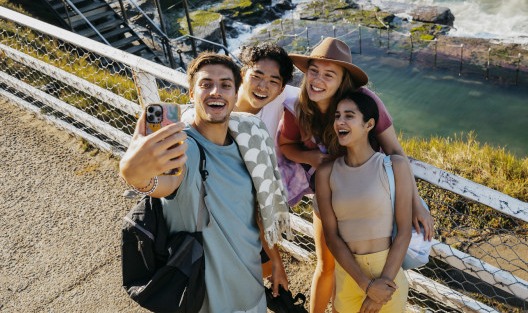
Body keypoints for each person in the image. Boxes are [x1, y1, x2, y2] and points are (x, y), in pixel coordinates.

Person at [119, 52, 290, 312]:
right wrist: (133, 174)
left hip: (252, 294)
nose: (216, 92)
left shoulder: (247, 144)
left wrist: (275, 261)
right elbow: (162, 184)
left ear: (235, 94)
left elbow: (252, 213)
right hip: (205, 302)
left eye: (225, 85)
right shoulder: (183, 147)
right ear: (191, 94)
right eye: (206, 84)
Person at [277, 37, 433, 313]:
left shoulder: (364, 104)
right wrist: (312, 157)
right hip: (329, 195)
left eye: (329, 75)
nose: (317, 80)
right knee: (327, 265)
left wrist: (416, 203)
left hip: (373, 194)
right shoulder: (300, 108)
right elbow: (286, 146)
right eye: (313, 71)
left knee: (376, 258)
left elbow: (395, 150)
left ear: (343, 81)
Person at [181, 42, 299, 294]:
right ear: (242, 75)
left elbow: (323, 94)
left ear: (281, 88)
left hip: (249, 209)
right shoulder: (207, 116)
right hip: (212, 217)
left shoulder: (279, 102)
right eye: (256, 75)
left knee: (259, 274)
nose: (263, 86)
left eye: (273, 81)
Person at [316, 92, 412, 313]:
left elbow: (404, 231)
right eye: (337, 116)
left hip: (387, 274)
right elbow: (331, 236)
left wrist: (380, 292)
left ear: (369, 124)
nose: (340, 121)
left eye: (349, 116)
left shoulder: (394, 166)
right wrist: (366, 285)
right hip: (348, 274)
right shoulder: (326, 173)